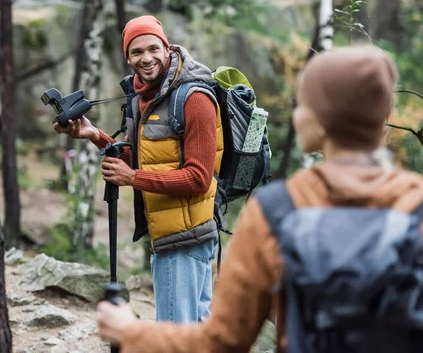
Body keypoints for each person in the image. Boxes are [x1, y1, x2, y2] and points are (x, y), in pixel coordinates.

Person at [95, 46, 423, 352]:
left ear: (319, 120)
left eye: (304, 104)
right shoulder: (416, 203)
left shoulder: (278, 211)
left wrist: (128, 331)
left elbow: (223, 340)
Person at [54, 15, 223, 324]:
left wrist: (132, 179)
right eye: (136, 52)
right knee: (195, 331)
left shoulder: (194, 99)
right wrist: (95, 136)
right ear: (127, 57)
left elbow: (199, 178)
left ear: (167, 48)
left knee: (175, 336)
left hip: (184, 239)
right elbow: (145, 157)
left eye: (153, 48)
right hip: (170, 233)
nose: (146, 58)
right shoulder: (145, 97)